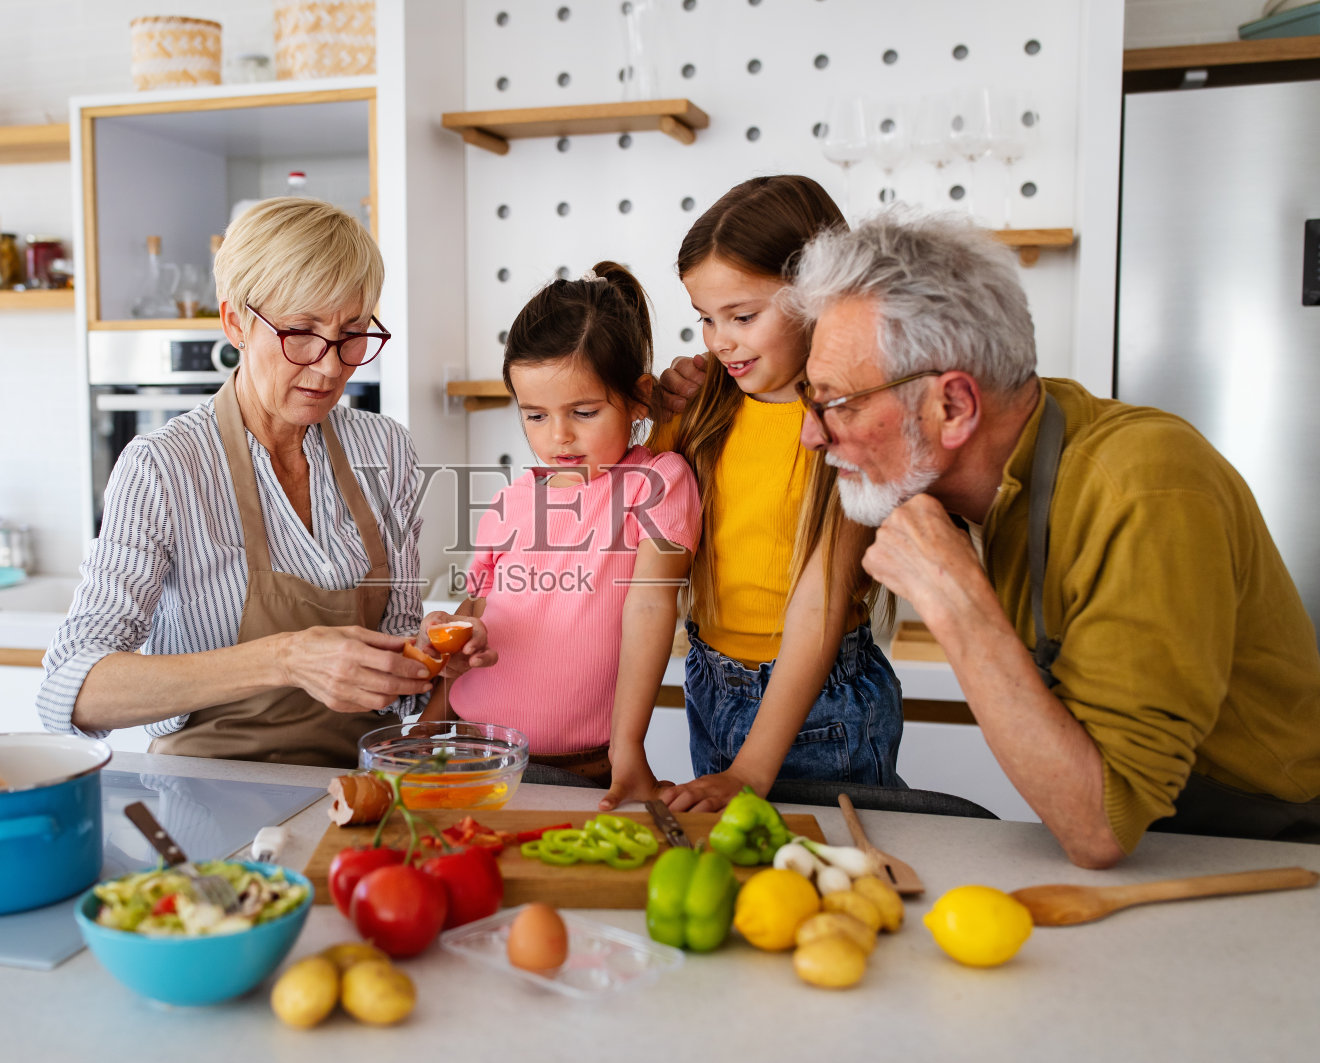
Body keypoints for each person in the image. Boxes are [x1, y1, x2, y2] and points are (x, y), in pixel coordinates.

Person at [677, 208, 1320, 864]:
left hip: (1259, 847)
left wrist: (956, 597)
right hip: (1144, 845)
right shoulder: (977, 455)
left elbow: (1100, 827)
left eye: (838, 403)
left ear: (953, 406)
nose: (813, 434)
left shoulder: (1143, 489)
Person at [38, 197, 492, 767]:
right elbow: (70, 689)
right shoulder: (164, 466)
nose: (330, 366)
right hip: (206, 786)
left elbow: (401, 676)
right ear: (236, 323)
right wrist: (284, 659)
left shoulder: (387, 450)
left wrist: (428, 656)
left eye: (353, 334)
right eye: (300, 332)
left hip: (351, 786)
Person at [651, 176, 904, 814]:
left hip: (821, 703)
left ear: (821, 300)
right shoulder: (702, 406)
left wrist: (750, 770)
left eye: (743, 316)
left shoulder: (847, 424)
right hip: (710, 680)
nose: (719, 339)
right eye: (705, 318)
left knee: (826, 876)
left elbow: (818, 607)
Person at [429, 262, 700, 806]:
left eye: (583, 410)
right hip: (466, 748)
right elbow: (475, 613)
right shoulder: (512, 500)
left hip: (586, 766)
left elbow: (650, 612)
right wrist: (425, 721)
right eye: (534, 415)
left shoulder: (659, 482)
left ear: (639, 397)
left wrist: (628, 748)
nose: (559, 436)